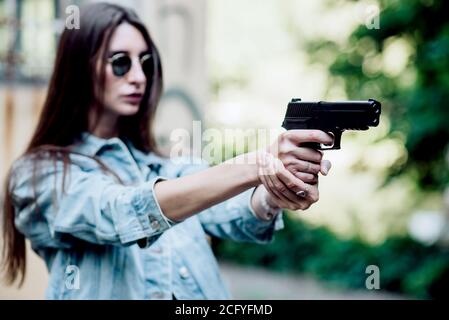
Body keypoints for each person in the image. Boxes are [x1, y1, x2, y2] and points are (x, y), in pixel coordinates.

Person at [1, 2, 332, 299]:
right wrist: (260, 164)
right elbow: (121, 213)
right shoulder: (40, 175)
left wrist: (275, 191)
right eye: (120, 63)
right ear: (78, 69)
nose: (138, 76)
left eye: (145, 63)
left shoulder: (168, 166)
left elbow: (235, 215)